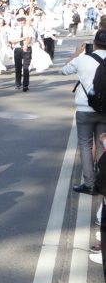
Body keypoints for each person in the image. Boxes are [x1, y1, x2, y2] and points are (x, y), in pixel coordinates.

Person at [60, 31, 106, 194]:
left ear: (94, 43)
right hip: (105, 109)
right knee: (102, 145)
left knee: (85, 145)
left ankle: (89, 183)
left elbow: (63, 71)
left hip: (85, 109)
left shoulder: (83, 59)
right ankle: (102, 182)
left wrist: (76, 53)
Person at [9, 15, 35, 92]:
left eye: (23, 21)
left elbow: (30, 37)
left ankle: (25, 85)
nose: (21, 22)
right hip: (17, 49)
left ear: (25, 21)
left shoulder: (29, 28)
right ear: (18, 22)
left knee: (26, 68)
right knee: (18, 68)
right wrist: (22, 38)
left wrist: (26, 45)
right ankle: (18, 84)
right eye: (20, 21)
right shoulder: (14, 29)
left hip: (27, 48)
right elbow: (12, 41)